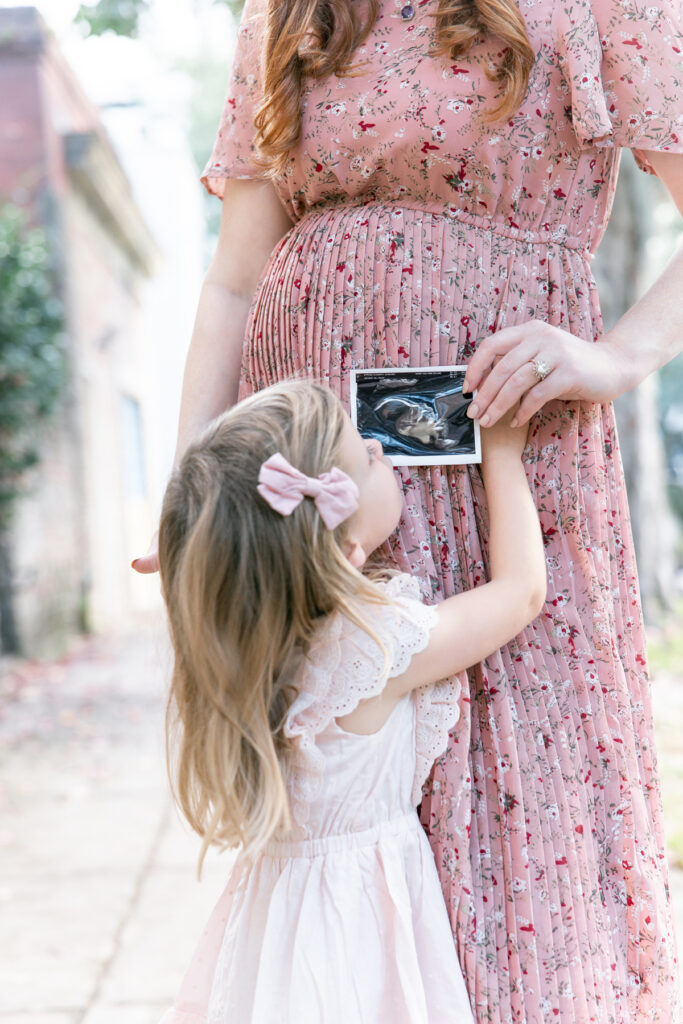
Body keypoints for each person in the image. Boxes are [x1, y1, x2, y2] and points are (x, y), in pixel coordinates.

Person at [133, 0, 683, 1018]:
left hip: (510, 460)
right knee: (337, 793)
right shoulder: (288, 12)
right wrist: (195, 501)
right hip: (314, 489)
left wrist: (613, 359)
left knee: (521, 804)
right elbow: (232, 282)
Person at [157, 379, 546, 1024]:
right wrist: (502, 452)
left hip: (277, 922)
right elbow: (522, 593)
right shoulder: (372, 644)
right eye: (365, 457)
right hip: (358, 922)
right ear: (345, 548)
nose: (376, 444)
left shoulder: (240, 652)